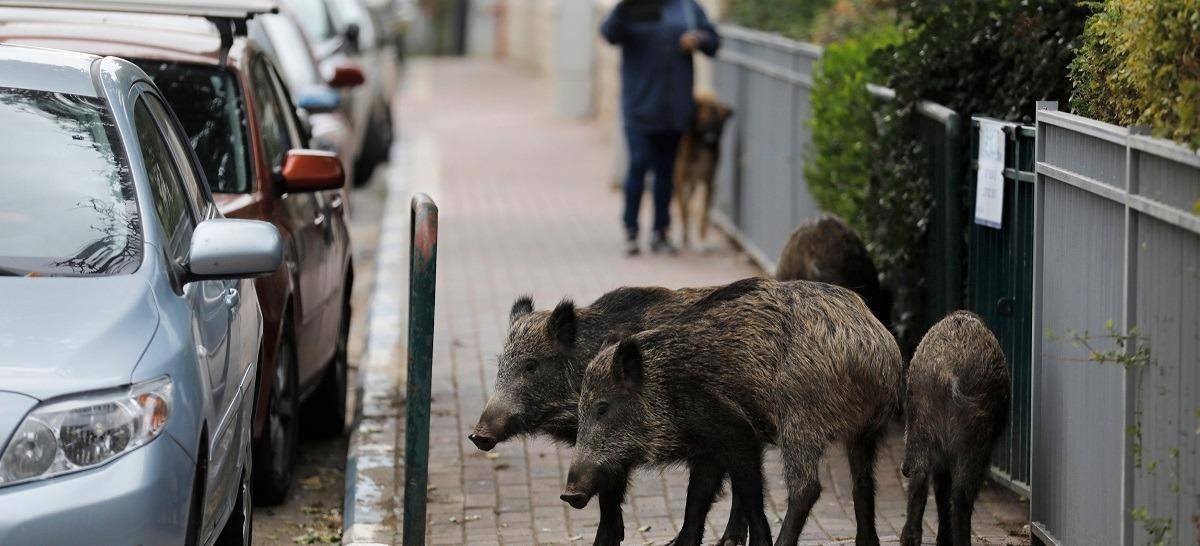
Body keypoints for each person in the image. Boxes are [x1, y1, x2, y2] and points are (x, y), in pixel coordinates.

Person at [601, 0, 720, 255]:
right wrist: (623, 8)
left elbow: (714, 42)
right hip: (639, 105)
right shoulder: (633, 7)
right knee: (639, 163)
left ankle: (660, 232)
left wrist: (698, 38)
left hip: (674, 107)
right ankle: (631, 229)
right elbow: (609, 34)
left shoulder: (688, 7)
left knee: (666, 171)